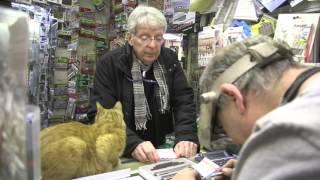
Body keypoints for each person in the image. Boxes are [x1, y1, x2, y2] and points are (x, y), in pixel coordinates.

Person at [173, 35, 320, 180]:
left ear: (234, 97)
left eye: (223, 128)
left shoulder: (287, 131)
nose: (235, 141)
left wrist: (259, 168)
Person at [88, 5, 199, 163]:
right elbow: (100, 114)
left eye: (158, 38)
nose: (153, 45)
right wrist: (133, 144)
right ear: (130, 38)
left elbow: (184, 101)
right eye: (145, 37)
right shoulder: (110, 64)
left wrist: (186, 136)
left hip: (161, 151)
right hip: (123, 153)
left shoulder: (169, 60)